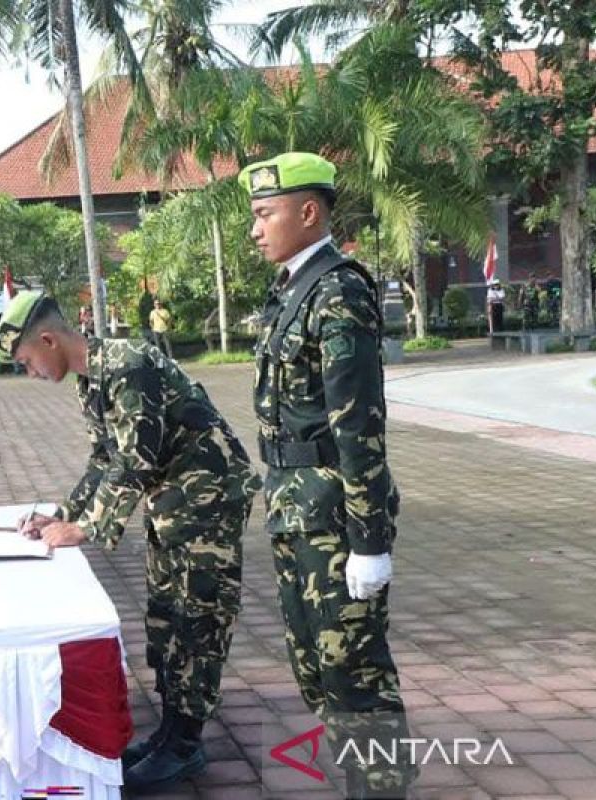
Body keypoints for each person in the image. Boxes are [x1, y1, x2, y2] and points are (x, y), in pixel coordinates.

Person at [0, 292, 261, 791]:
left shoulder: (128, 366)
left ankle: (185, 746)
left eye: (27, 361)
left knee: (197, 616)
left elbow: (135, 459)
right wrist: (63, 514)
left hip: (205, 499)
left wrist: (86, 528)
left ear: (48, 340)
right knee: (166, 615)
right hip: (173, 502)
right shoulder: (92, 380)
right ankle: (169, 735)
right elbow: (103, 458)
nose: (29, 372)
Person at [241, 152, 415, 799]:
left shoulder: (338, 289)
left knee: (354, 674)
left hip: (335, 515)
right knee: (316, 669)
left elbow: (359, 427)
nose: (256, 229)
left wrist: (370, 542)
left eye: (266, 214)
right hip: (295, 509)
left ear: (308, 212)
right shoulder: (293, 288)